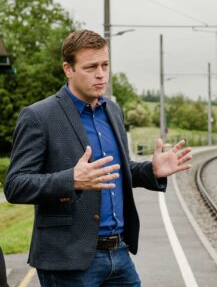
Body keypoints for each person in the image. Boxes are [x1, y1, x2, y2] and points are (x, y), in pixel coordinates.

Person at [4, 30, 193, 286]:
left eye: (105, 65)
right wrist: (71, 180)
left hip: (119, 254)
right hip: (68, 260)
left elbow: (116, 170)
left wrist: (152, 171)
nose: (101, 74)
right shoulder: (39, 116)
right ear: (68, 69)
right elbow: (15, 185)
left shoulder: (113, 111)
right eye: (91, 67)